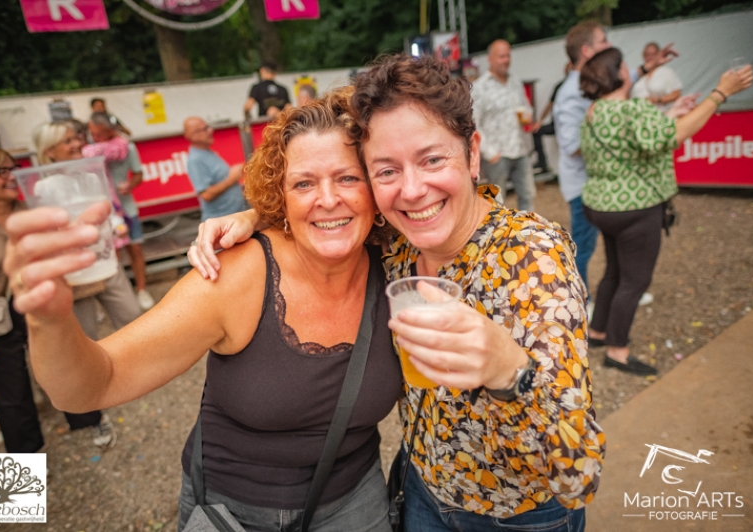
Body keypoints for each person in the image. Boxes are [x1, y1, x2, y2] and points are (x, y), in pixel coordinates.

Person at [191, 54, 605, 532]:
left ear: (472, 153)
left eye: (432, 160)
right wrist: (257, 216)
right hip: (419, 492)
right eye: (386, 171)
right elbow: (327, 209)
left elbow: (578, 477)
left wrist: (507, 371)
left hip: (514, 518)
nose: (411, 190)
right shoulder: (396, 242)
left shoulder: (532, 257)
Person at [4, 88, 402, 532]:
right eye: (303, 184)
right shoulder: (235, 277)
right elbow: (92, 385)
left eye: (348, 178)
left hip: (356, 502)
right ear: (281, 198)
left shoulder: (400, 265)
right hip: (236, 511)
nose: (327, 199)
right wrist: (49, 319)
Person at [579, 48, 753, 375]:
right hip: (635, 207)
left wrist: (672, 112)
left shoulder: (594, 111)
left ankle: (597, 332)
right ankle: (617, 351)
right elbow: (674, 136)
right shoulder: (634, 109)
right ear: (620, 75)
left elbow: (639, 140)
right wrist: (720, 93)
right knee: (635, 281)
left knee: (614, 272)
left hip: (602, 206)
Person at [0, 146, 115, 451]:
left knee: (68, 368)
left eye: (13, 168)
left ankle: (90, 420)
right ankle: (23, 464)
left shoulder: (32, 212)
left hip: (43, 304)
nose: (12, 176)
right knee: (10, 392)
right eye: (1, 171)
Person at [553, 21, 676, 302]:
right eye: (603, 42)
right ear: (587, 51)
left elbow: (621, 78)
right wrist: (616, 132)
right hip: (583, 185)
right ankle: (580, 306)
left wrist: (650, 65)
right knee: (583, 249)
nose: (610, 46)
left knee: (616, 250)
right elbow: (571, 145)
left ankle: (624, 290)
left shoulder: (593, 80)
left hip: (603, 183)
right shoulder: (570, 93)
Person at [33, 120, 142, 343]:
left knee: (132, 316)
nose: (77, 144)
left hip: (105, 261)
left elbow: (105, 211)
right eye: (67, 141)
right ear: (49, 151)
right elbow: (48, 231)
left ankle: (135, 360)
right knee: (85, 333)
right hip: (76, 270)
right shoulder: (44, 187)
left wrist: (116, 224)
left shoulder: (91, 177)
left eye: (76, 138)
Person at [84, 112, 154, 311]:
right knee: (112, 254)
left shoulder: (126, 148)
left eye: (99, 134)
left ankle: (142, 290)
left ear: (110, 131)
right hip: (104, 212)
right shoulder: (89, 152)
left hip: (126, 209)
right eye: (92, 134)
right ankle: (119, 296)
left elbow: (138, 174)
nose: (95, 138)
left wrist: (129, 185)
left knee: (135, 250)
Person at [471, 39, 536, 212]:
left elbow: (526, 107)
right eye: (501, 56)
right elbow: (473, 123)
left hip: (521, 149)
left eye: (508, 56)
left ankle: (527, 228)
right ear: (490, 59)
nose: (506, 60)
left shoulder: (515, 82)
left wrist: (527, 116)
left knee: (528, 196)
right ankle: (497, 230)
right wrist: (490, 152)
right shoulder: (479, 87)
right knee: (497, 202)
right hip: (497, 155)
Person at [183, 117, 248, 222]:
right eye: (205, 129)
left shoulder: (207, 153)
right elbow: (206, 195)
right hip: (222, 222)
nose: (210, 130)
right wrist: (231, 179)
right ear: (193, 135)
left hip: (231, 219)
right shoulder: (195, 160)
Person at [531, 62, 572, 174]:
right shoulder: (560, 86)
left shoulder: (582, 85)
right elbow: (550, 104)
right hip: (557, 125)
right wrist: (539, 121)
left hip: (572, 125)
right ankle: (542, 162)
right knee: (536, 131)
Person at [631, 42, 683, 114]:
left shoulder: (666, 72)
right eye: (647, 55)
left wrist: (658, 100)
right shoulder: (637, 74)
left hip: (663, 113)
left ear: (658, 54)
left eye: (653, 54)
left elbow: (676, 94)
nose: (649, 58)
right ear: (643, 55)